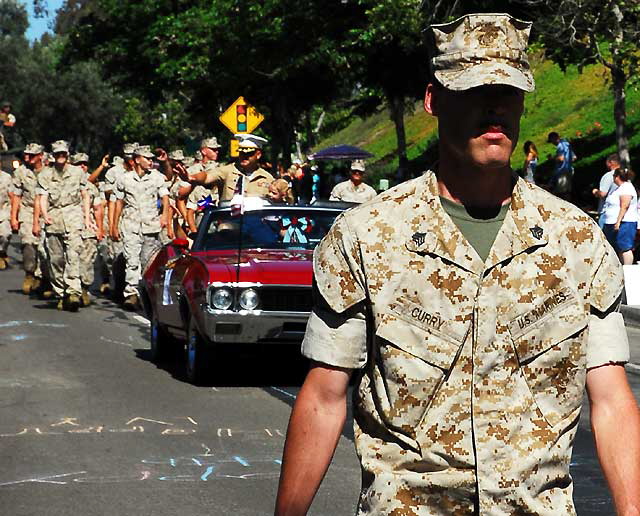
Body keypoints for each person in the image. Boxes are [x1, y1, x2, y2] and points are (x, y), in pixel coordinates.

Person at [275, 13, 640, 516]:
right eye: (473, 92)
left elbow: (613, 400)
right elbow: (323, 397)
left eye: (508, 93)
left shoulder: (575, 241)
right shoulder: (369, 236)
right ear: (434, 100)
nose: (494, 109)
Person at [33, 140, 92, 311]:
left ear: (68, 155)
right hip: (54, 218)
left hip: (73, 216)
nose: (60, 156)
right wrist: (44, 216)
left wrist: (87, 218)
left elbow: (85, 195)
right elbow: (42, 197)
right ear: (53, 155)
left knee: (73, 255)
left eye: (63, 153)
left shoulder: (77, 173)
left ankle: (73, 292)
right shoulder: (45, 175)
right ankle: (61, 293)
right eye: (57, 154)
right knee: (56, 260)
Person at [111, 145, 170, 310]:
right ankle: (131, 294)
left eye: (152, 159)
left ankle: (146, 293)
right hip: (130, 224)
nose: (151, 162)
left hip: (151, 225)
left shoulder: (156, 177)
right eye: (147, 158)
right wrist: (114, 226)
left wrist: (164, 215)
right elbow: (118, 202)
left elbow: (165, 197)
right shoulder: (124, 179)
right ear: (137, 160)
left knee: (148, 261)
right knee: (132, 260)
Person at [180, 133, 274, 202]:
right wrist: (192, 177)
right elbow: (207, 177)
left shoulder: (267, 178)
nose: (244, 156)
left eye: (249, 153)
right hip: (230, 223)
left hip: (258, 224)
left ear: (258, 155)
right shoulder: (228, 170)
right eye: (241, 152)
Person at [10, 143, 47, 294]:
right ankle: (29, 273)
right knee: (28, 243)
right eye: (26, 155)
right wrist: (13, 217)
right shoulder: (21, 172)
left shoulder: (49, 171)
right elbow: (16, 196)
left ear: (40, 156)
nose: (27, 158)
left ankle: (42, 277)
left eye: (31, 155)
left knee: (43, 247)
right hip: (27, 209)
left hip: (45, 211)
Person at [71, 153, 105, 306]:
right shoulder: (67, 184)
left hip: (88, 228)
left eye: (85, 164)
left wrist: (99, 229)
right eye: (79, 164)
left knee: (87, 260)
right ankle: (70, 290)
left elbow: (97, 209)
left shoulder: (92, 188)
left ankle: (84, 288)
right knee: (69, 259)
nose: (83, 166)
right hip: (70, 227)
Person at [601, 167, 638, 265]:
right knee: (616, 247)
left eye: (613, 176)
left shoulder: (627, 187)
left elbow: (624, 205)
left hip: (624, 222)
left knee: (624, 247)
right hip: (611, 222)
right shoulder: (619, 188)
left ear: (617, 177)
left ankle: (627, 269)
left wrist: (618, 222)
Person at [592, 153, 621, 229]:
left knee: (605, 238)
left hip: (607, 213)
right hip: (621, 212)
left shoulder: (608, 176)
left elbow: (603, 194)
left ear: (610, 162)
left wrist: (595, 192)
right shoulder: (624, 175)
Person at [547, 130, 576, 200]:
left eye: (551, 140)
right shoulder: (566, 143)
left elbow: (561, 158)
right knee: (567, 191)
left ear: (554, 138)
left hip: (562, 171)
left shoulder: (560, 146)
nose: (552, 143)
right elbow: (574, 157)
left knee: (562, 193)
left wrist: (552, 158)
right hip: (569, 169)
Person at [0, 164, 13, 270]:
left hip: (3, 210)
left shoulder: (6, 177)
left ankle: (2, 251)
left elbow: (12, 195)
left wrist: (14, 214)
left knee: (5, 234)